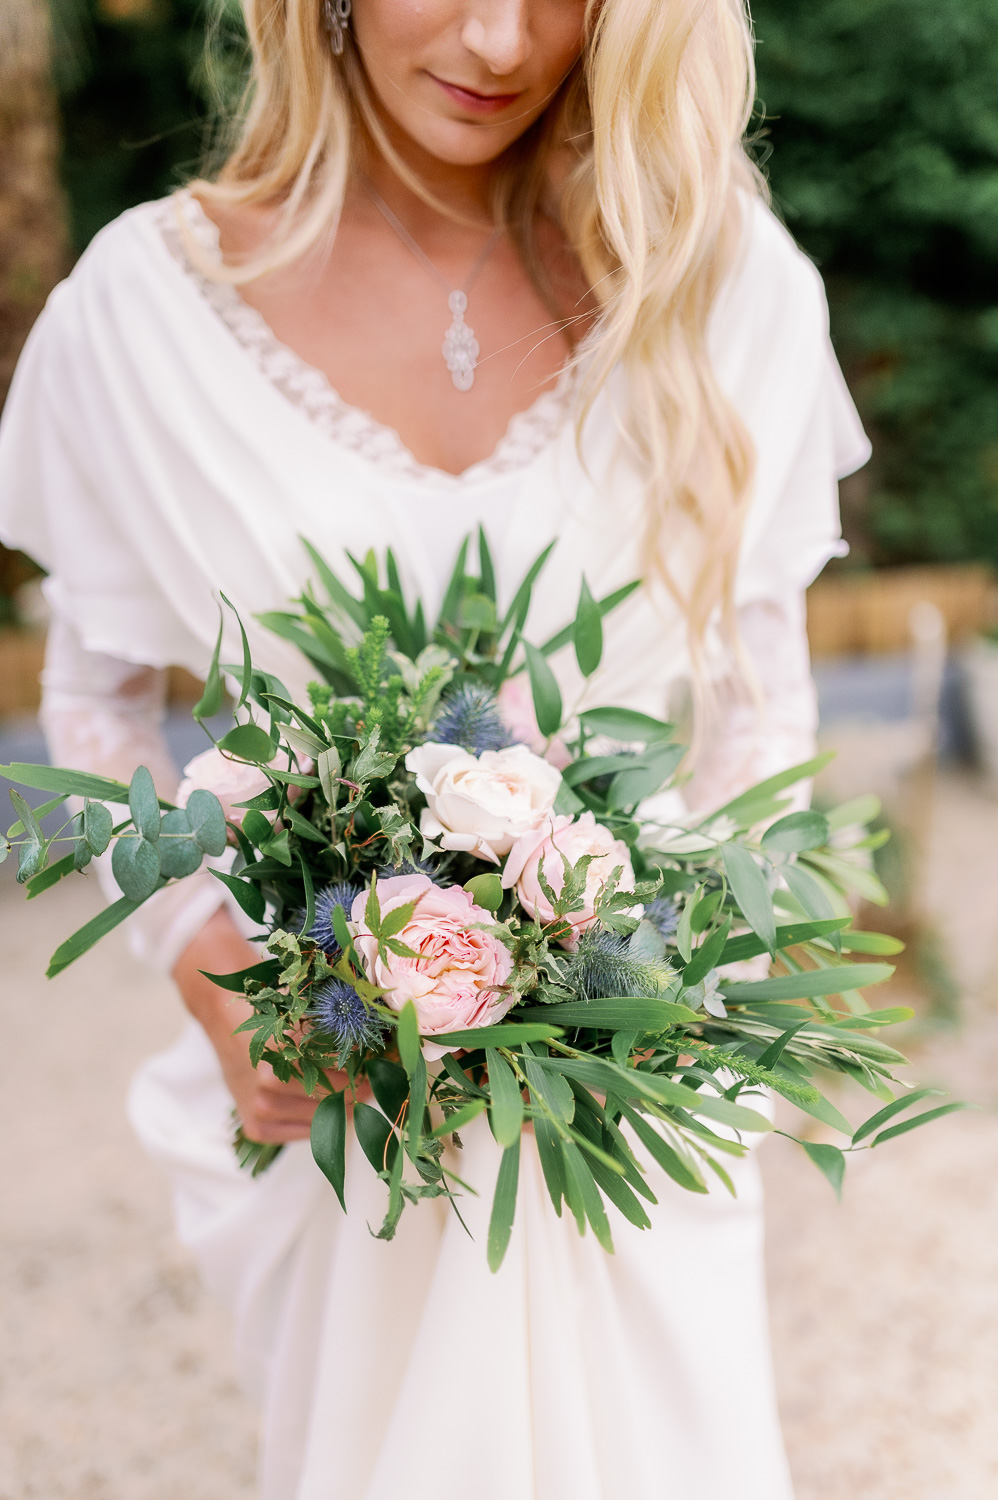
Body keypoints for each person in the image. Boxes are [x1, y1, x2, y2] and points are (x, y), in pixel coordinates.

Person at [0, 0, 870, 1494]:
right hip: (336, 1088)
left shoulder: (721, 284)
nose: (495, 40)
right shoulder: (144, 309)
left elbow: (756, 705)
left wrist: (662, 980)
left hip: (629, 1089)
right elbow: (96, 702)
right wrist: (213, 974)